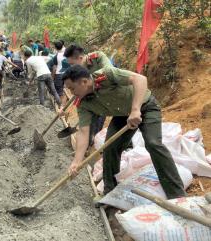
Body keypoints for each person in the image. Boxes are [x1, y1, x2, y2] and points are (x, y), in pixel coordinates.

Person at [62, 65, 186, 199]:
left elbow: (140, 79)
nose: (71, 92)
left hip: (145, 106)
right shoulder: (83, 103)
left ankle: (177, 195)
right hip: (122, 115)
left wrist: (135, 109)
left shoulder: (106, 75)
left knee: (153, 143)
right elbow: (83, 132)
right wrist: (76, 161)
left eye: (72, 88)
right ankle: (110, 193)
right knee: (110, 147)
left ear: (84, 82)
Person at [63, 44, 113, 147]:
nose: (72, 67)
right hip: (90, 99)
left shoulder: (98, 57)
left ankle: (92, 141)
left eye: (72, 64)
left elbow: (109, 71)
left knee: (97, 122)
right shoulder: (77, 71)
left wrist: (88, 82)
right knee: (87, 122)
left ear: (80, 58)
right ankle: (87, 142)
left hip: (105, 96)